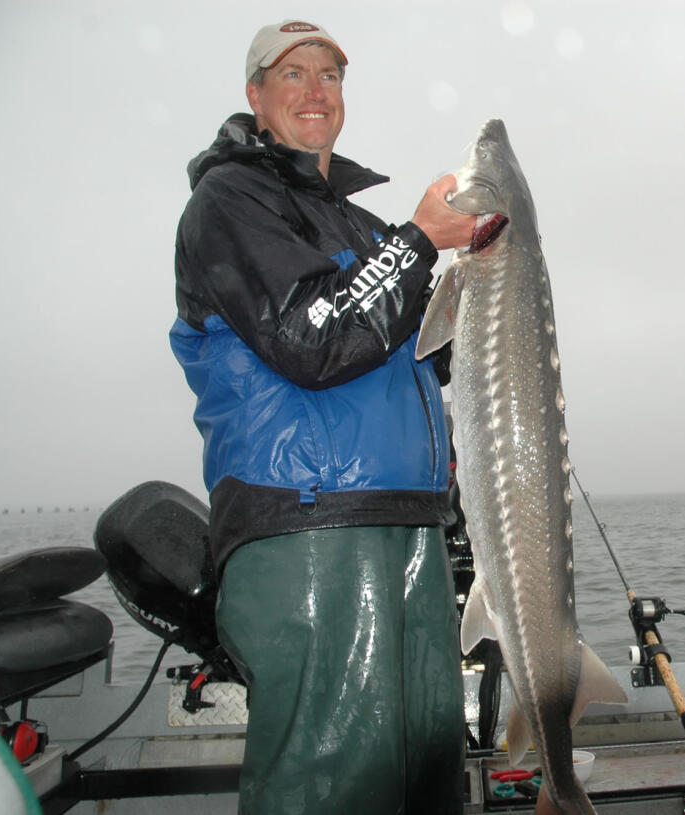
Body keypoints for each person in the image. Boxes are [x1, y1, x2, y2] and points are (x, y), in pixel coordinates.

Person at [170, 19, 476, 814]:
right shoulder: (229, 201)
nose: (315, 92)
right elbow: (312, 338)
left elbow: (429, 359)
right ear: (255, 96)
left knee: (427, 764)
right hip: (306, 528)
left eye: (330, 76)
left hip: (412, 524)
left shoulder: (364, 228)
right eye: (293, 74)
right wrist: (418, 243)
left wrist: (475, 276)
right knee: (331, 776)